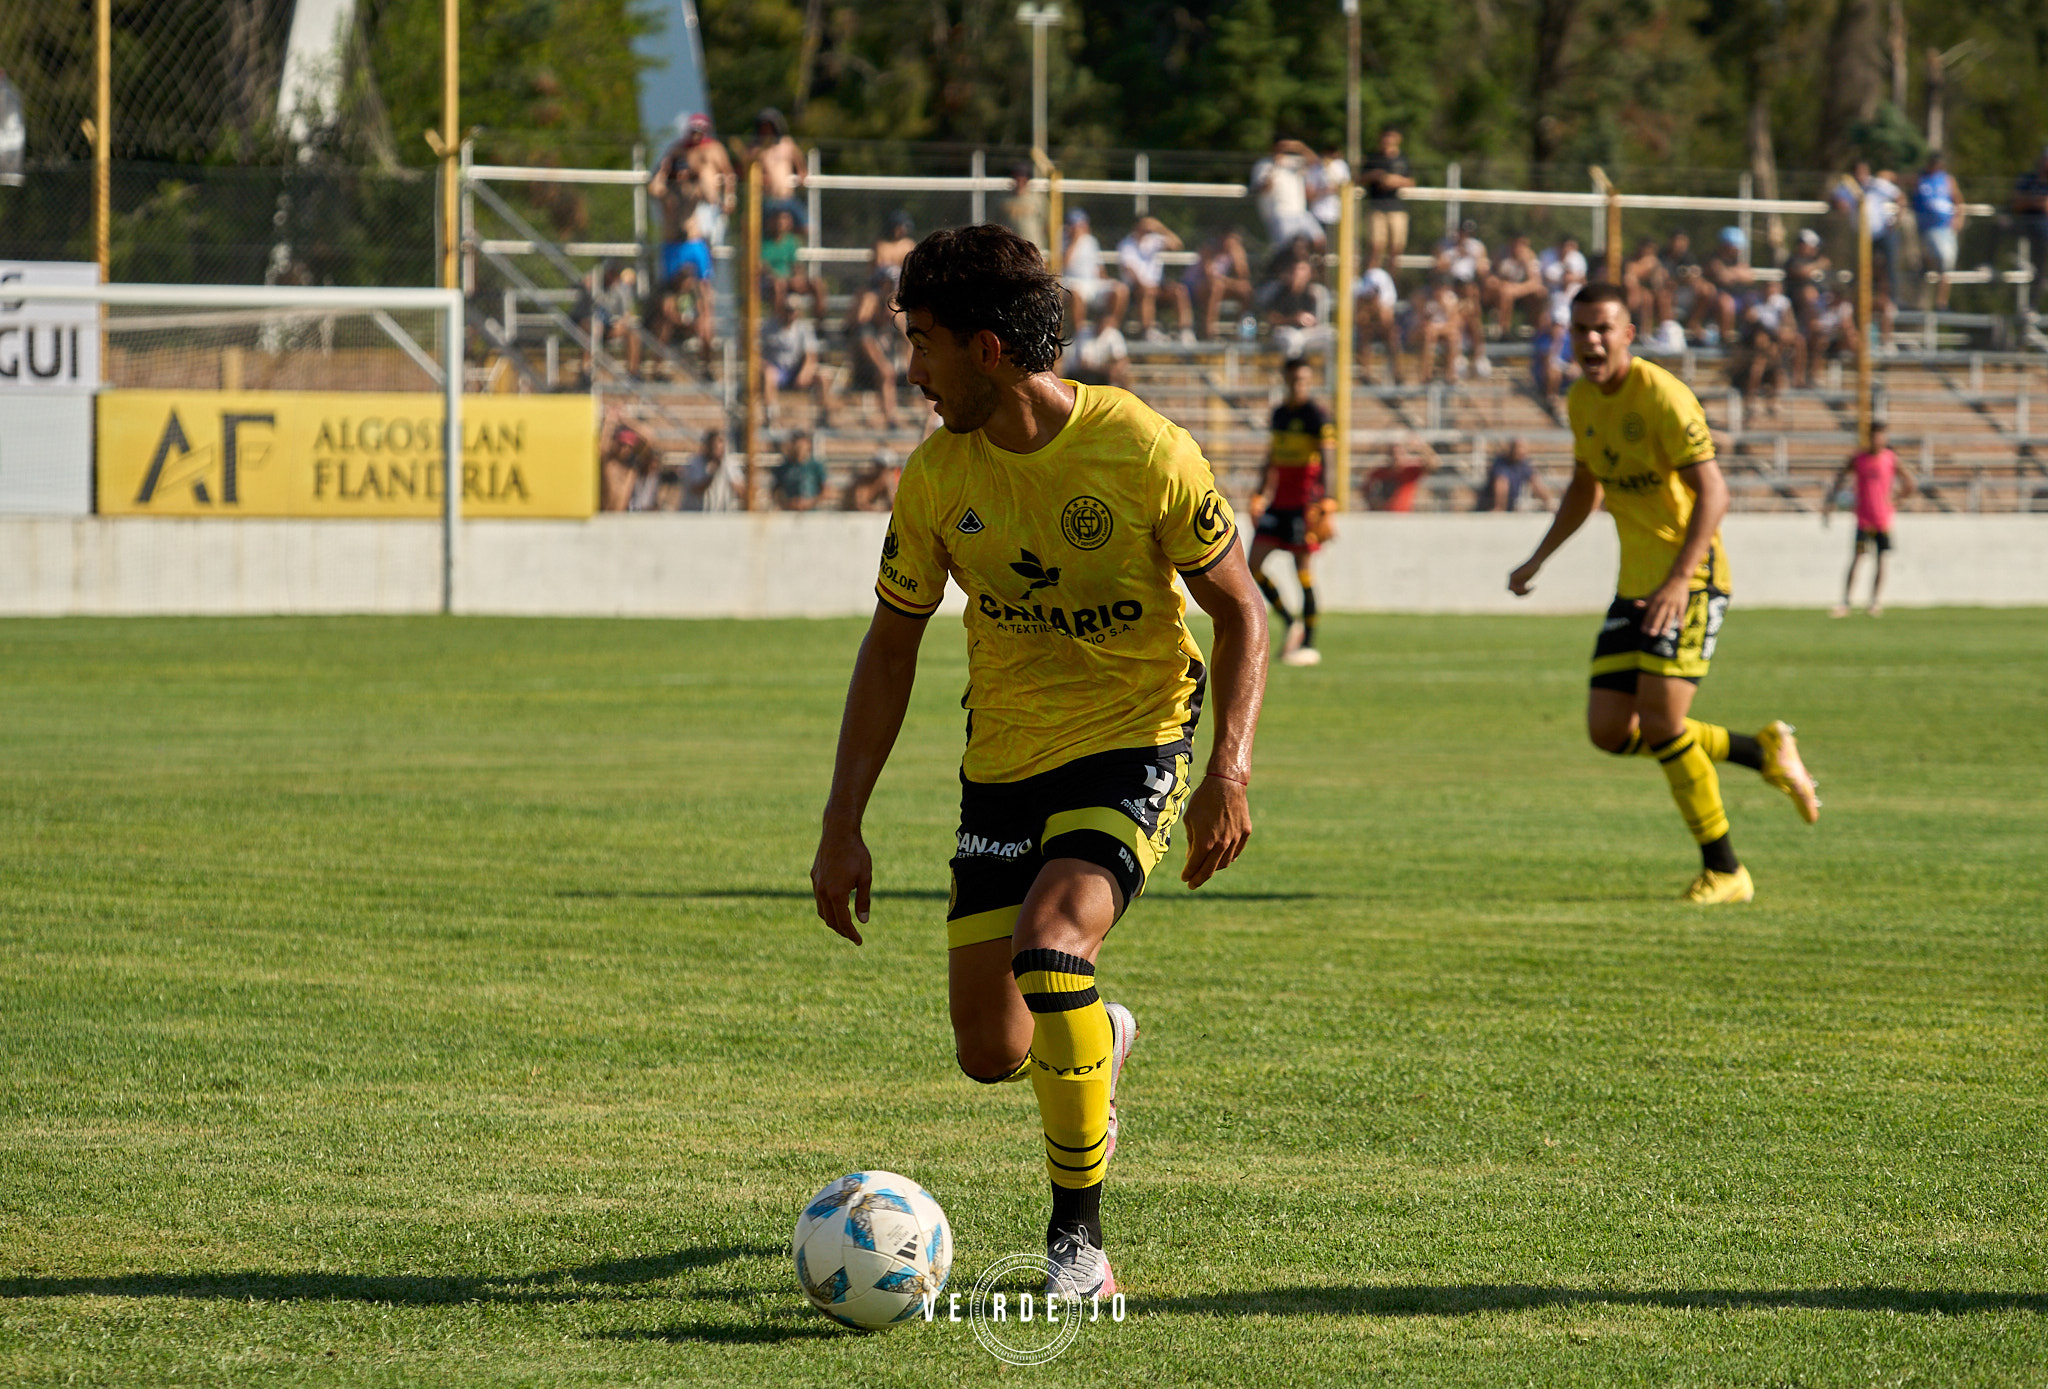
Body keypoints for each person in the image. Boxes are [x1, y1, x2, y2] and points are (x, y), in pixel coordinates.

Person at [809, 223, 1266, 1302]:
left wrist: (1228, 771)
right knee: (989, 1049)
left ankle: (1078, 1248)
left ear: (986, 349)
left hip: (1135, 738)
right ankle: (1096, 1037)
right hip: (1004, 761)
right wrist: (841, 821)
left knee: (1052, 947)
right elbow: (890, 646)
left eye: (921, 344)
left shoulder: (1143, 450)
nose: (910, 372)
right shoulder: (935, 477)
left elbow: (1242, 610)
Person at [1506, 283, 1821, 907]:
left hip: (1691, 579)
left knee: (1661, 723)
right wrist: (1539, 557)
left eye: (1603, 328)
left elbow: (1715, 493)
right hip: (1635, 585)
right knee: (1608, 729)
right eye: (1580, 329)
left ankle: (1726, 870)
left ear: (1628, 334)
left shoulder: (1663, 396)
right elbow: (1585, 488)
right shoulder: (1581, 401)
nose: (1591, 341)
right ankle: (1762, 751)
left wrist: (1679, 580)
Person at [1249, 357, 1336, 667]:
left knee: (1303, 571)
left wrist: (1328, 502)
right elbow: (1271, 457)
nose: (1299, 386)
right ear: (1285, 380)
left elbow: (1329, 462)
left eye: (1304, 381)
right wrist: (1259, 493)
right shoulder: (1279, 414)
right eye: (1294, 380)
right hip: (1278, 504)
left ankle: (1309, 643)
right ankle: (1290, 622)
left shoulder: (1317, 416)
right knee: (1253, 565)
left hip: (1303, 505)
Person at [1825, 422, 1914, 617]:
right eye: (1874, 435)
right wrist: (1830, 502)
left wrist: (1896, 500)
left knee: (1881, 560)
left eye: (1881, 435)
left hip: (1882, 519)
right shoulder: (1859, 458)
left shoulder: (1890, 459)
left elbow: (1909, 483)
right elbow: (1840, 477)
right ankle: (1845, 602)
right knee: (1857, 558)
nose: (1877, 439)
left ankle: (1874, 602)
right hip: (1864, 519)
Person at [649, 115, 734, 294]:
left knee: (707, 265)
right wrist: (665, 171)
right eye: (693, 131)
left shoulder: (714, 149)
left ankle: (704, 293)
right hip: (678, 230)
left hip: (708, 208)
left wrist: (728, 198)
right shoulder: (677, 150)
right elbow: (656, 183)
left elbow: (727, 175)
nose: (696, 136)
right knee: (674, 284)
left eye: (699, 132)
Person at [1117, 216, 1194, 343]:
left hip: (1157, 285)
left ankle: (1185, 331)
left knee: (1179, 290)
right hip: (1136, 288)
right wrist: (1144, 286)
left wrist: (1160, 228)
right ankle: (1148, 331)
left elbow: (1177, 245)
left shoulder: (1154, 240)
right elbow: (1129, 270)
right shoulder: (1126, 244)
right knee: (1146, 291)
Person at [762, 294, 829, 425]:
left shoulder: (804, 329)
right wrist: (766, 366)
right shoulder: (768, 327)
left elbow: (811, 356)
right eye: (788, 309)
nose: (791, 313)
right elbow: (756, 353)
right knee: (769, 375)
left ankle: (823, 417)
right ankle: (771, 417)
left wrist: (805, 372)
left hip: (795, 370)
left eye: (794, 310)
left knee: (823, 377)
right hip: (775, 370)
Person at [1061, 208, 1129, 337]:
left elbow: (1099, 268)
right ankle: (1080, 335)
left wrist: (1107, 280)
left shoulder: (1091, 241)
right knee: (1075, 293)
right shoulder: (1062, 239)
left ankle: (1108, 330)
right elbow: (1064, 264)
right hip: (1071, 282)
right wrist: (1075, 240)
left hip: (1093, 282)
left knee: (1120, 290)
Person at [1251, 137, 1324, 249]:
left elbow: (1316, 162)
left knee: (1319, 240)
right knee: (1287, 247)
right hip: (1280, 213)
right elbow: (1261, 188)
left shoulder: (1293, 161)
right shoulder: (1264, 165)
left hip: (1300, 211)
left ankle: (1313, 260)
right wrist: (1274, 167)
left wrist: (1300, 147)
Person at [1912, 152, 1964, 311]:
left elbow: (1958, 200)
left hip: (1946, 228)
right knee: (1938, 258)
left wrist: (1958, 218)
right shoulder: (1920, 178)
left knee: (1947, 264)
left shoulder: (1947, 179)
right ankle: (1921, 299)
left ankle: (1941, 303)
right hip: (1928, 228)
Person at [1360, 126, 1414, 271]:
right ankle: (1372, 278)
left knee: (1396, 248)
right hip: (1377, 208)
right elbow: (1359, 178)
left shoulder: (1403, 159)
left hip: (1396, 208)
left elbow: (1411, 181)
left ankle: (1392, 280)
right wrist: (1376, 176)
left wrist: (1395, 181)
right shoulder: (1373, 158)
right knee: (1376, 247)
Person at [1184, 229, 1253, 341]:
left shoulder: (1233, 252)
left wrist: (1238, 257)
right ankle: (1209, 333)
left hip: (1219, 285)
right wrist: (1230, 282)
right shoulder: (1208, 250)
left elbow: (1243, 276)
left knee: (1245, 290)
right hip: (1193, 288)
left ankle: (1241, 332)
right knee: (1216, 287)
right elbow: (1210, 276)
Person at [1264, 256, 1324, 359]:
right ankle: (1294, 368)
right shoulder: (1280, 292)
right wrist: (1294, 319)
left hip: (1307, 333)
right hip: (1285, 332)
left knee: (1330, 336)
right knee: (1294, 339)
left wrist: (1311, 321)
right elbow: (1272, 320)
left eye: (1303, 270)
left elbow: (1318, 321)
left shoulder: (1313, 293)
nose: (1299, 273)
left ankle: (1330, 369)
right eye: (1297, 269)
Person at [1489, 233, 1548, 339]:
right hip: (1501, 291)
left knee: (1540, 293)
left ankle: (1538, 331)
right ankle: (1504, 331)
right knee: (1505, 293)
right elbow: (1491, 278)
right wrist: (1504, 286)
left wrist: (1516, 289)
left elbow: (1535, 281)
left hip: (1520, 290)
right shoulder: (1500, 255)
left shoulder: (1529, 256)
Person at [759, 205, 816, 314]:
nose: (780, 222)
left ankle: (820, 322)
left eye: (785, 218)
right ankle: (778, 320)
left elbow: (796, 264)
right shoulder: (761, 241)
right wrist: (778, 277)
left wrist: (798, 276)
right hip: (769, 282)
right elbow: (762, 266)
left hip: (788, 280)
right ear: (770, 221)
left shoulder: (791, 240)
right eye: (777, 219)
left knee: (817, 285)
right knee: (778, 285)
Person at [1353, 260, 1403, 384]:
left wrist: (1376, 314)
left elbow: (1387, 321)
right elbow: (1359, 320)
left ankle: (1397, 374)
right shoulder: (1358, 290)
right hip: (1366, 329)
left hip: (1381, 327)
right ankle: (1366, 375)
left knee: (1392, 335)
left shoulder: (1383, 296)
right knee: (1365, 333)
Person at [2013, 147, 2048, 312]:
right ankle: (1988, 262)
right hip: (2024, 224)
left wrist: (2032, 202)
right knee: (2000, 224)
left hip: (2043, 232)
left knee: (2040, 268)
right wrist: (2037, 202)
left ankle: (2032, 305)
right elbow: (2017, 204)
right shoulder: (2028, 179)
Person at [1476, 437, 1553, 512]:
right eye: (1519, 449)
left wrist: (1549, 503)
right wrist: (1500, 508)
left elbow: (1536, 483)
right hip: (1489, 507)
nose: (1522, 453)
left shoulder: (1523, 464)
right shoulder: (1501, 463)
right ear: (1512, 449)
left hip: (1509, 507)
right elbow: (1501, 484)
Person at [1365, 439, 1435, 511]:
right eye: (1393, 453)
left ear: (1405, 454)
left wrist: (1422, 446)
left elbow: (1432, 465)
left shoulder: (1410, 470)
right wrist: (1374, 503)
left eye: (1400, 453)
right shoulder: (1379, 472)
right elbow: (1366, 490)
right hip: (1382, 515)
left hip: (1403, 515)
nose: (1396, 456)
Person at [772, 431, 829, 511]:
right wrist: (787, 503)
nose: (798, 447)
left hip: (812, 512)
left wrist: (809, 502)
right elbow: (775, 491)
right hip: (790, 511)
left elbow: (826, 491)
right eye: (795, 444)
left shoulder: (815, 466)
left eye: (802, 445)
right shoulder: (783, 468)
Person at [1004, 162, 1046, 251]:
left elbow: (1046, 223)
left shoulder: (1038, 199)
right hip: (1011, 246)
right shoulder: (1003, 200)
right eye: (1017, 177)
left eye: (1023, 177)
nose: (1020, 180)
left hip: (1032, 246)